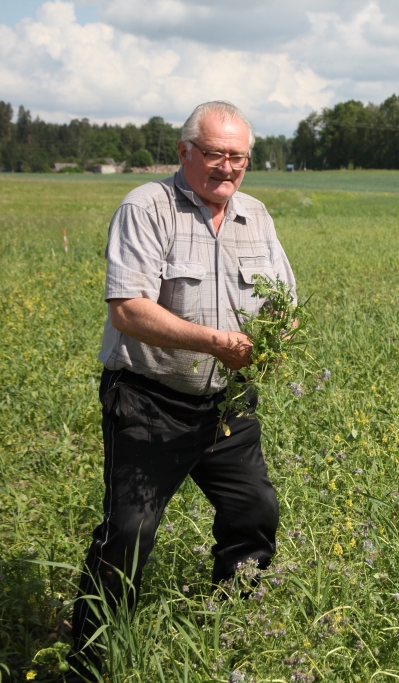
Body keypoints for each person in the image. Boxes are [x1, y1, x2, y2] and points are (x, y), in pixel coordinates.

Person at [68, 101, 295, 678]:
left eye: (239, 158)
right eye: (216, 155)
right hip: (150, 399)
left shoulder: (256, 216)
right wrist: (214, 342)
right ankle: (93, 659)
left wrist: (279, 333)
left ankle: (239, 625)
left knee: (254, 512)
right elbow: (129, 310)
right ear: (184, 153)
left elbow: (284, 301)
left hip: (228, 403)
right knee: (130, 530)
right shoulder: (148, 207)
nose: (228, 169)